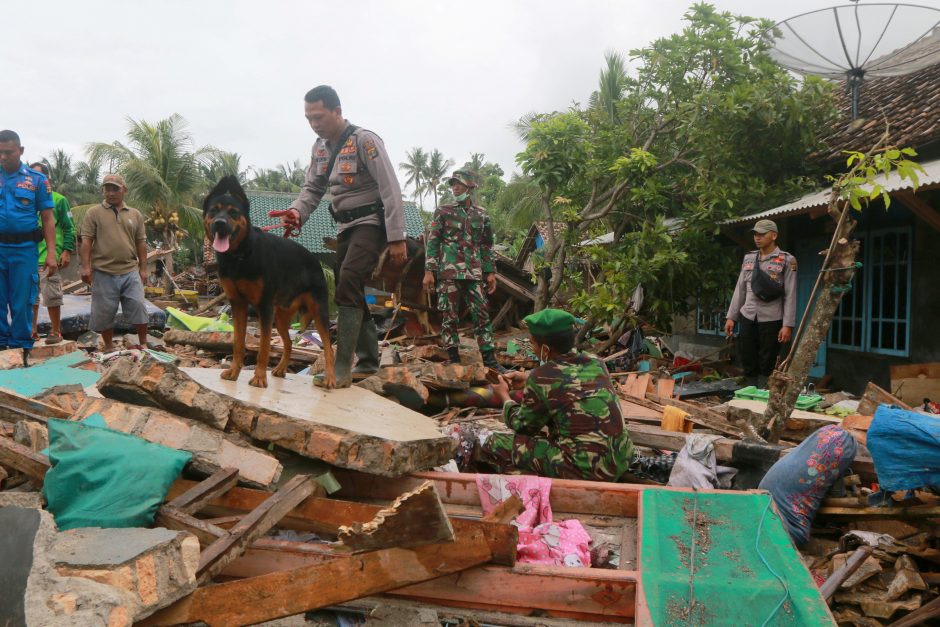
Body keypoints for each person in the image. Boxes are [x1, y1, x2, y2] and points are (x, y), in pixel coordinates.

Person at [274, 85, 408, 388]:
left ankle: (344, 366)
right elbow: (312, 189)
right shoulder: (319, 148)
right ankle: (370, 361)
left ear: (337, 111)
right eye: (308, 118)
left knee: (347, 281)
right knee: (352, 290)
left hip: (371, 223)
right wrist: (296, 212)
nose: (314, 123)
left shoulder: (365, 141)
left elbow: (390, 188)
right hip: (344, 227)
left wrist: (397, 236)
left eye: (319, 116)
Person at [478, 308, 634, 481]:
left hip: (585, 470)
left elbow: (522, 426)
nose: (531, 345)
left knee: (495, 443)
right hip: (620, 459)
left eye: (532, 342)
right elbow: (568, 377)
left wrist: (505, 397)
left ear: (545, 348)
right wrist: (527, 378)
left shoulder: (542, 377)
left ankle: (528, 484)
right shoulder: (596, 362)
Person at [423, 169, 504, 371]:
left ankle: (490, 361)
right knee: (449, 315)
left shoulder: (481, 214)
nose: (455, 187)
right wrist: (429, 271)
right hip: (449, 272)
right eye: (452, 184)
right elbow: (433, 242)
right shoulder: (443, 211)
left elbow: (486, 245)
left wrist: (490, 271)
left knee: (482, 314)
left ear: (470, 186)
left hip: (474, 273)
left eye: (458, 183)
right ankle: (453, 358)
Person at [0, 130, 58, 358]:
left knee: (22, 301)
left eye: (8, 152)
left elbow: (47, 218)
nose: (3, 157)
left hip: (24, 250)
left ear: (21, 151)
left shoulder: (37, 181)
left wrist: (51, 253)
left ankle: (20, 347)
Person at [79, 174, 149, 352]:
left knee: (138, 306)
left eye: (115, 189)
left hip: (130, 270)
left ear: (124, 190)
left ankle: (144, 343)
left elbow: (141, 243)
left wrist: (143, 268)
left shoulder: (135, 214)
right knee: (104, 312)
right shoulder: (93, 213)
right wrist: (85, 267)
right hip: (103, 271)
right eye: (107, 189)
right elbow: (86, 241)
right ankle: (109, 347)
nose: (110, 193)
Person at [724, 219, 797, 388]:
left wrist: (788, 325)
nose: (757, 238)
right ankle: (750, 389)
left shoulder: (787, 260)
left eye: (762, 234)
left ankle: (764, 390)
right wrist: (731, 317)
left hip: (771, 317)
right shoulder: (749, 258)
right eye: (756, 234)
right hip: (748, 315)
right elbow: (740, 289)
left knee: (768, 358)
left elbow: (790, 294)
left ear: (774, 235)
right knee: (747, 355)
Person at [758, 424, 857, 545]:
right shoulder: (840, 451)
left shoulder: (803, 452)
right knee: (799, 535)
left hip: (758, 507)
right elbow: (838, 494)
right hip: (786, 527)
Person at [29, 162, 76, 345]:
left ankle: (56, 331)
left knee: (52, 296)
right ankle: (32, 331)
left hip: (50, 257)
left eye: (38, 176)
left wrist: (66, 251)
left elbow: (70, 228)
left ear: (46, 179)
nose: (34, 180)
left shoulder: (58, 200)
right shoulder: (25, 201)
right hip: (29, 257)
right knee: (30, 298)